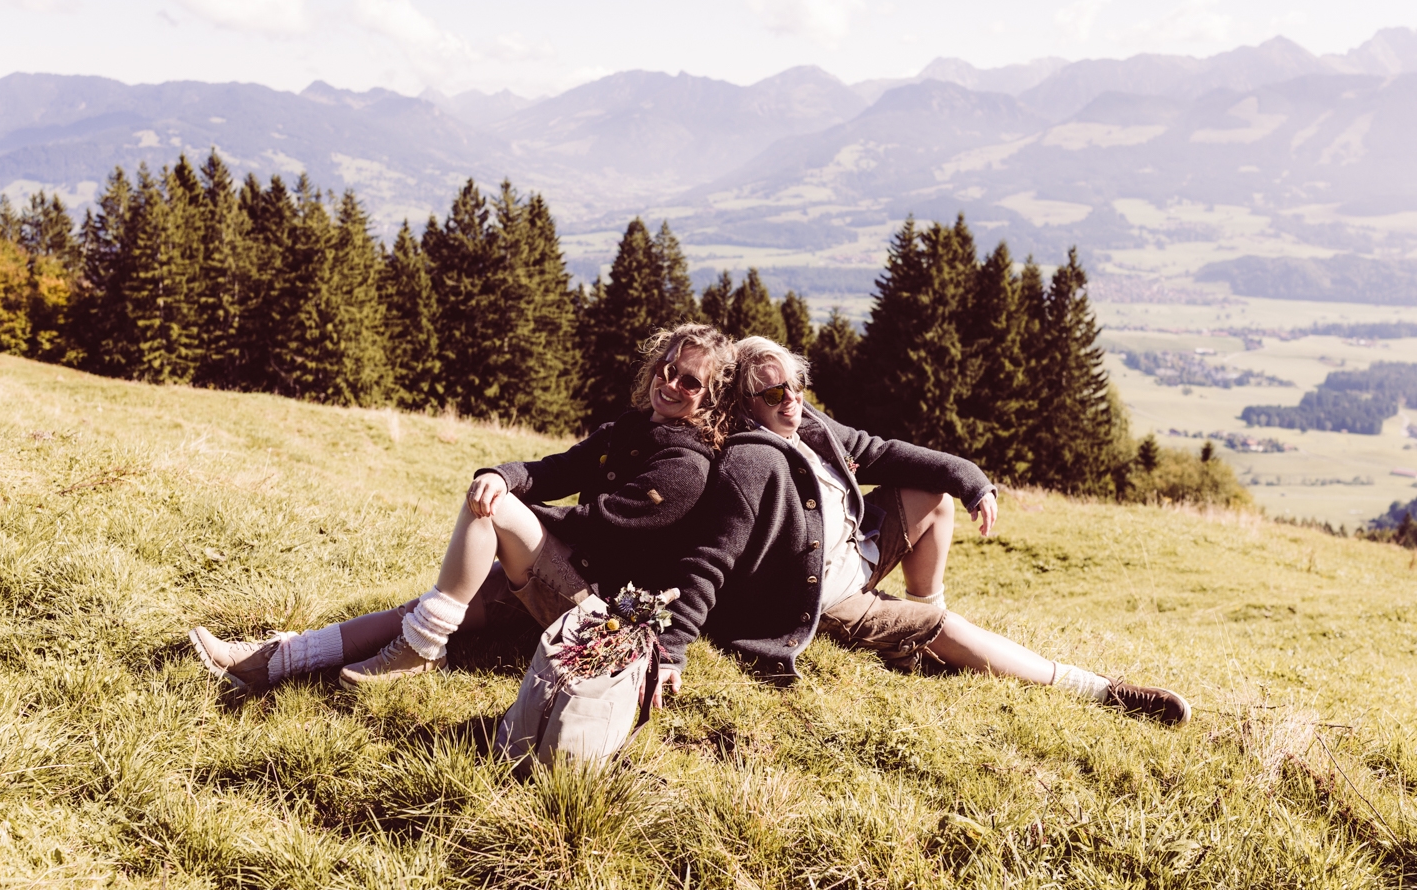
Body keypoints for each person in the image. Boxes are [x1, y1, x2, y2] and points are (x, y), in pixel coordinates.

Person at [658, 336, 1191, 725]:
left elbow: (879, 452)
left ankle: (923, 624)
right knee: (945, 625)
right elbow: (709, 560)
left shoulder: (809, 427)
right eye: (774, 395)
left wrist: (971, 481)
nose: (791, 400)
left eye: (795, 387)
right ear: (746, 403)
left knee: (931, 497)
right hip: (827, 597)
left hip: (854, 552)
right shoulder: (752, 461)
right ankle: (1101, 692)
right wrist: (671, 650)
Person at [189, 323, 736, 696]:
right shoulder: (631, 428)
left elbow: (600, 527)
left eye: (691, 381)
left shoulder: (687, 468)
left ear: (710, 398)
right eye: (668, 368)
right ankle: (265, 661)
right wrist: (503, 475)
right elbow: (557, 469)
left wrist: (511, 517)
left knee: (490, 517)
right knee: (422, 608)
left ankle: (422, 652)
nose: (671, 384)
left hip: (598, 611)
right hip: (561, 578)